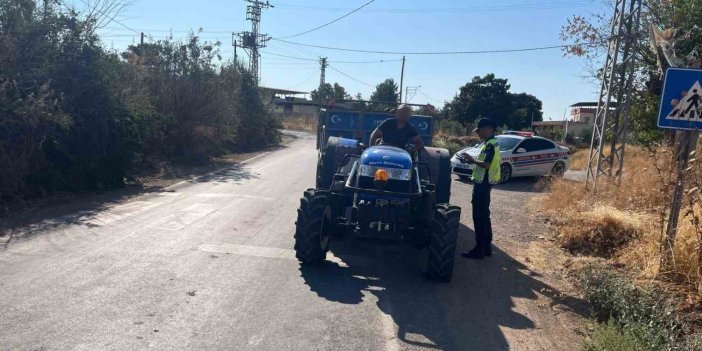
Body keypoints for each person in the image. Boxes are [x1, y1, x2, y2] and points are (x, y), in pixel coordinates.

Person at [457, 118, 501, 259]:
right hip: (485, 183)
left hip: (483, 184)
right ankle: (486, 247)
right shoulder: (490, 143)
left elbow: (487, 164)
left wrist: (472, 160)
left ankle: (479, 249)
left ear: (488, 128)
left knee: (479, 217)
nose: (478, 133)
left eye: (479, 130)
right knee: (485, 216)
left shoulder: (490, 145)